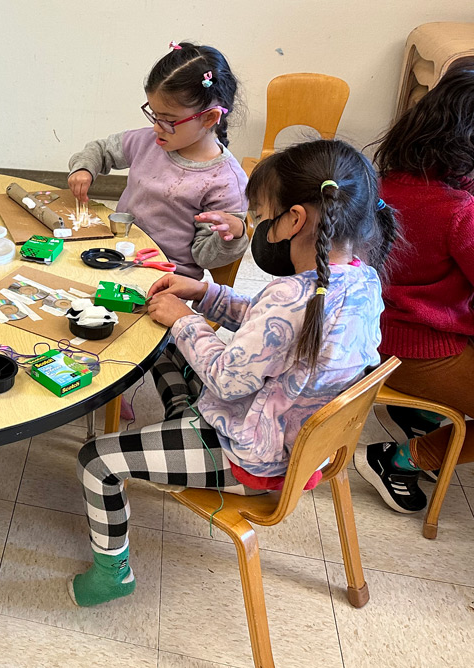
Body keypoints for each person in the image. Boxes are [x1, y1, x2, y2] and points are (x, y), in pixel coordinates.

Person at [69, 139, 393, 607]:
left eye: (261, 218)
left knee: (95, 461)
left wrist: (184, 318)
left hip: (251, 456)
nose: (257, 227)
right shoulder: (359, 280)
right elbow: (272, 328)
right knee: (167, 347)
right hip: (295, 438)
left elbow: (227, 378)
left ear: (295, 220)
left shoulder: (292, 298)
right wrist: (202, 293)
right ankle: (176, 424)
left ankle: (111, 572)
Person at [356, 68, 474, 513]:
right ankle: (403, 459)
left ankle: (421, 417)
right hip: (416, 348)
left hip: (370, 333)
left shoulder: (379, 182)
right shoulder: (457, 208)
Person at [67, 41, 249, 280]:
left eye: (167, 119)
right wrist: (84, 168)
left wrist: (233, 236)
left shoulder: (226, 182)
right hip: (119, 256)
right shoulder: (149, 140)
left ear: (209, 118)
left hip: (167, 279)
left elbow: (205, 257)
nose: (155, 126)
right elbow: (101, 149)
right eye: (153, 113)